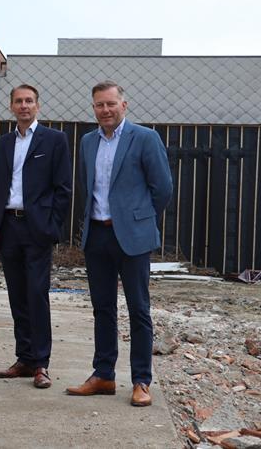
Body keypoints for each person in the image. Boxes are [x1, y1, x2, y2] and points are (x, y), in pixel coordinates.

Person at [66, 81, 173, 407]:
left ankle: (141, 381)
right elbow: (87, 186)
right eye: (99, 105)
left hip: (133, 238)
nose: (105, 110)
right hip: (97, 235)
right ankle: (104, 375)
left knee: (139, 309)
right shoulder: (87, 142)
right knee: (103, 309)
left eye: (111, 104)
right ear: (94, 108)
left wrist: (137, 219)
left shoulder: (145, 138)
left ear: (123, 105)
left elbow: (163, 187)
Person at [0, 84, 72, 388]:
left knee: (37, 294)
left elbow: (63, 189)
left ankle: (41, 364)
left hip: (37, 228)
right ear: (11, 107)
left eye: (29, 101)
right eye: (18, 101)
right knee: (16, 295)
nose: (24, 106)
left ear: (38, 105)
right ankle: (23, 358)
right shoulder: (2, 144)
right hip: (9, 226)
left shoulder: (55, 140)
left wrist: (51, 226)